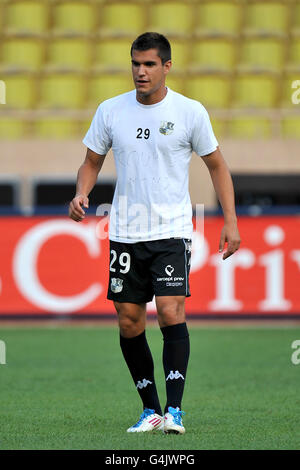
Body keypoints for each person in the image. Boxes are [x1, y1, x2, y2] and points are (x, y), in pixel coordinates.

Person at [69, 32, 241, 434]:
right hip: (125, 232)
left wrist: (230, 220)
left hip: (172, 231)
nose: (140, 72)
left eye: (148, 64)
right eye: (135, 63)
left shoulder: (189, 111)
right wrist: (81, 192)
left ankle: (174, 411)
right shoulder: (111, 110)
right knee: (129, 321)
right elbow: (90, 161)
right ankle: (150, 410)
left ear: (166, 66)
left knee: (169, 311)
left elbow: (217, 165)